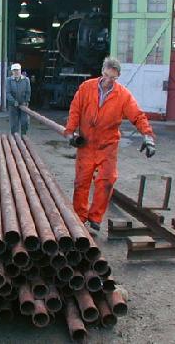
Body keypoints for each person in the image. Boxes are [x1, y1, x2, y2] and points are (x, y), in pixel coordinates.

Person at [63, 57, 156, 232]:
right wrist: (70, 131)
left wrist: (148, 137)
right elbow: (75, 109)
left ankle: (95, 217)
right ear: (102, 71)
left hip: (108, 146)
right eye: (105, 76)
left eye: (112, 78)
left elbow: (137, 116)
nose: (107, 81)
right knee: (81, 182)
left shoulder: (123, 95)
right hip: (86, 144)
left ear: (118, 77)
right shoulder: (86, 88)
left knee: (106, 182)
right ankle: (79, 217)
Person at [6, 63, 31, 135]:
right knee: (14, 124)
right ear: (12, 72)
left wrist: (26, 101)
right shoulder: (9, 80)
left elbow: (28, 91)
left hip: (23, 104)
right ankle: (14, 139)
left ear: (20, 71)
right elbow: (8, 93)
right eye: (14, 70)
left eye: (17, 70)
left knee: (25, 122)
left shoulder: (26, 80)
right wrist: (14, 101)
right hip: (13, 105)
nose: (16, 72)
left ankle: (24, 136)